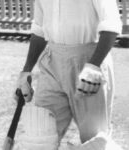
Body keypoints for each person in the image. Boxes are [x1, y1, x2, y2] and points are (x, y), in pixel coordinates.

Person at [14, 0, 122, 149]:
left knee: (95, 141)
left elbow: (111, 24)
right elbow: (39, 28)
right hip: (52, 64)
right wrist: (26, 70)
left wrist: (93, 65)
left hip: (89, 61)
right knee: (38, 136)